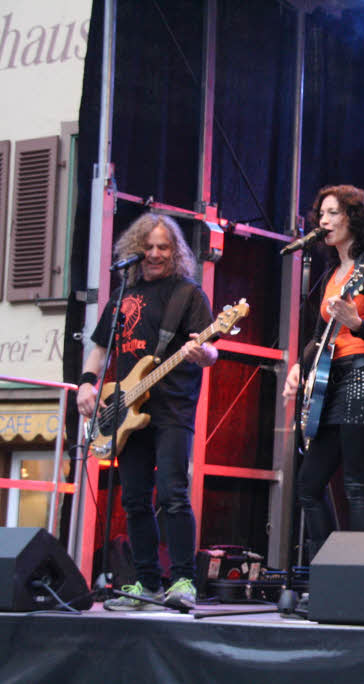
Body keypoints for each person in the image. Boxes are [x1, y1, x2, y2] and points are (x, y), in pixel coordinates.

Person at [76, 213, 218, 610]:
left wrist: (200, 351)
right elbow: (101, 348)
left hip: (172, 405)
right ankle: (146, 582)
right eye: (149, 247)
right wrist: (87, 383)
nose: (155, 254)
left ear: (175, 252)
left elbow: (211, 350)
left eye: (163, 247)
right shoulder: (123, 294)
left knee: (173, 493)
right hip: (124, 409)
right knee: (134, 499)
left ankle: (184, 581)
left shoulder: (188, 294)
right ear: (135, 250)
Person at [282, 184, 364, 556]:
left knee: (356, 485)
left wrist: (355, 321)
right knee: (308, 485)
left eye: (334, 213)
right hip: (334, 381)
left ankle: (359, 579)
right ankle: (328, 571)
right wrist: (298, 368)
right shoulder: (335, 274)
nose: (325, 220)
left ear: (354, 218)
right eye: (322, 214)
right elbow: (319, 337)